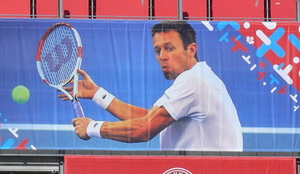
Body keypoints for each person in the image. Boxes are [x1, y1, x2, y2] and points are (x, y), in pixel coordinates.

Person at [71, 20, 243, 151]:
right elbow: (149, 119)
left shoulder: (194, 81)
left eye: (169, 48)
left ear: (191, 50)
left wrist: (92, 128)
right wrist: (97, 94)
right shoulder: (201, 77)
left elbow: (144, 129)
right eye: (158, 50)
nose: (162, 56)